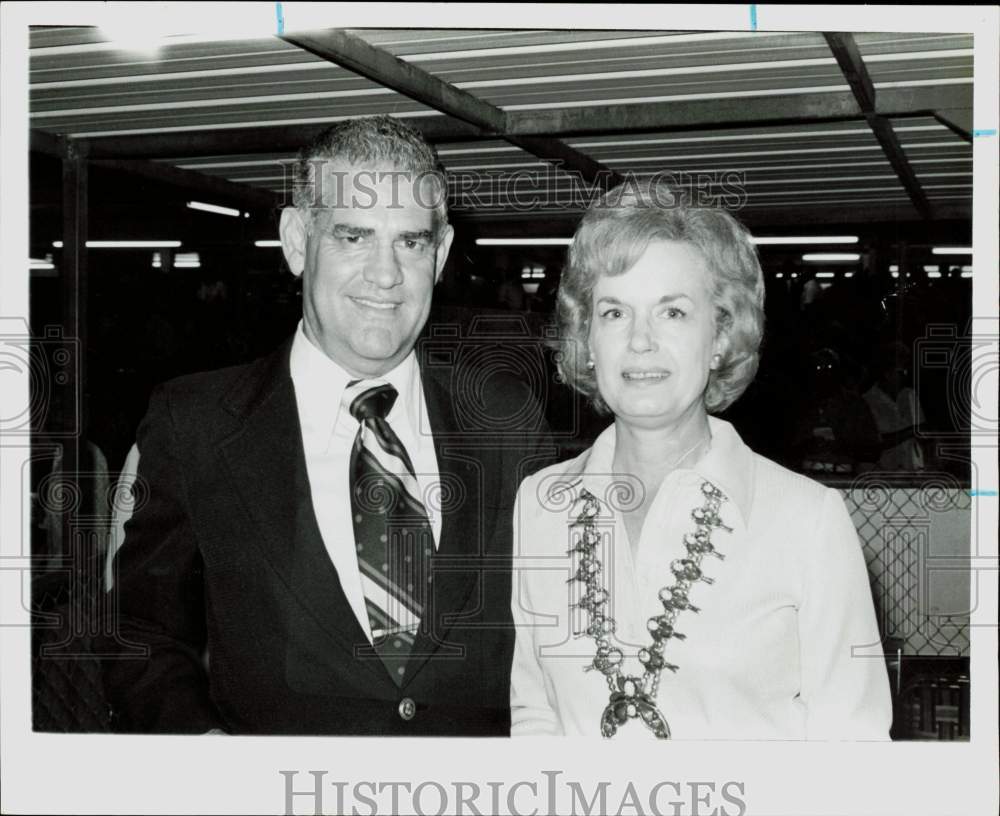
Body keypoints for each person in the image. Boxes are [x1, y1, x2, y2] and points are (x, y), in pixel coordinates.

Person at [100, 116, 552, 735]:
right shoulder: (195, 425)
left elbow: (559, 629)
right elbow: (138, 629)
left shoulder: (506, 420)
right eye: (354, 236)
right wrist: (202, 754)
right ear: (295, 240)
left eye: (411, 242)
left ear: (441, 252)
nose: (386, 274)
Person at [510, 180, 892, 740]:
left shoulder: (809, 519)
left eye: (673, 313)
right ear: (587, 339)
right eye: (614, 313)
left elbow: (854, 748)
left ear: (719, 335)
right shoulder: (540, 504)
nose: (640, 342)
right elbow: (536, 712)